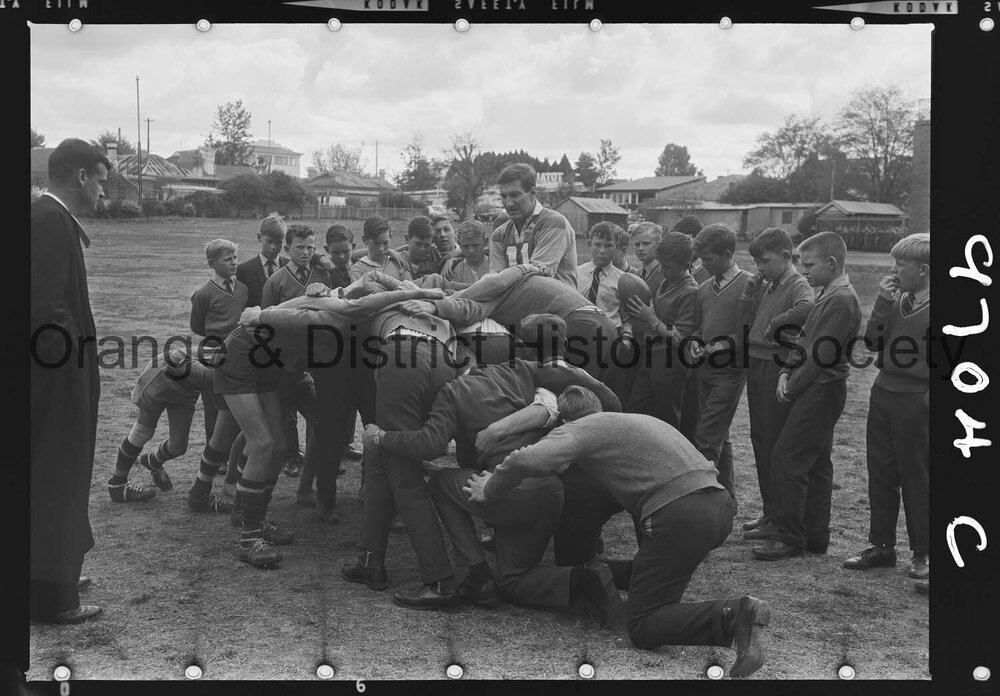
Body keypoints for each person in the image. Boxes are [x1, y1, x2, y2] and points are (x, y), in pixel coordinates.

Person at [480, 386, 770, 678]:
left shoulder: (578, 429)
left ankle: (736, 615)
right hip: (717, 506)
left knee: (643, 625)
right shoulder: (631, 422)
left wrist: (489, 489)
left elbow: (524, 460)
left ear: (564, 422)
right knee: (654, 579)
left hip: (679, 515)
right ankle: (599, 572)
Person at [363, 316, 624, 619]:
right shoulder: (521, 370)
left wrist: (382, 437)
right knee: (513, 580)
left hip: (510, 491)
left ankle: (476, 574)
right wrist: (606, 396)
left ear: (457, 355)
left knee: (438, 484)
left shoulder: (452, 391)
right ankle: (588, 578)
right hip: (549, 492)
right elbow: (562, 377)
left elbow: (429, 445)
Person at [226, 279, 446, 568]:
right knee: (263, 443)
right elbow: (356, 304)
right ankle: (249, 538)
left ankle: (249, 516)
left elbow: (368, 292)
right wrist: (423, 292)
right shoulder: (333, 313)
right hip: (242, 355)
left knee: (277, 443)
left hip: (264, 361)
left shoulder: (341, 306)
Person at [30, 138, 109, 624]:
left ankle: (52, 573)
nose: (102, 191)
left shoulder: (49, 217)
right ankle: (52, 596)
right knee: (56, 478)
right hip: (55, 382)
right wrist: (72, 373)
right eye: (100, 179)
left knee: (54, 478)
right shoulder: (48, 220)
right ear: (81, 176)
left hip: (53, 377)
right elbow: (44, 309)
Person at [751, 232, 861, 561]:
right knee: (816, 463)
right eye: (801, 263)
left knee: (787, 457)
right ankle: (815, 535)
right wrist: (786, 370)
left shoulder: (841, 299)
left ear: (832, 263)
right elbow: (805, 338)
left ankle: (789, 536)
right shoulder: (829, 292)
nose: (804, 270)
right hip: (816, 386)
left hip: (822, 388)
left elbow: (821, 355)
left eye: (809, 264)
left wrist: (792, 383)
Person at [843, 233, 930, 582]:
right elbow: (874, 342)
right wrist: (881, 300)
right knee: (880, 470)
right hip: (883, 393)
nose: (893, 270)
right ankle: (882, 546)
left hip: (916, 399)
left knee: (916, 476)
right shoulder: (897, 300)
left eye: (900, 264)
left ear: (923, 270)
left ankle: (923, 553)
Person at [736, 228, 814, 540]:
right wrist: (748, 292)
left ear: (785, 257)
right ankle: (770, 511)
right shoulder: (769, 283)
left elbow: (808, 306)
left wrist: (776, 323)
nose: (759, 268)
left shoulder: (797, 283)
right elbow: (743, 323)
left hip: (774, 363)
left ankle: (780, 516)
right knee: (759, 439)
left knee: (772, 442)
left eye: (764, 262)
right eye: (755, 262)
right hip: (756, 362)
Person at [687, 224, 752, 511]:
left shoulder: (750, 285)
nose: (703, 265)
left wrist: (725, 345)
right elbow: (701, 326)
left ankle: (705, 504)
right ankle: (728, 500)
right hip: (704, 370)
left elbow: (752, 331)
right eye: (700, 259)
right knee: (719, 435)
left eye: (709, 259)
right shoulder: (703, 287)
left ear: (727, 254)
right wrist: (694, 342)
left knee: (708, 435)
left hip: (731, 371)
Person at [624, 233, 700, 429]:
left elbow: (680, 337)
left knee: (667, 417)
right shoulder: (667, 283)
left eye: (668, 267)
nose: (663, 270)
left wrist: (651, 318)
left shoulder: (690, 291)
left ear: (685, 265)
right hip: (651, 356)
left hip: (671, 362)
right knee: (636, 411)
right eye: (661, 265)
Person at [189, 238, 249, 445]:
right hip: (213, 354)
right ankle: (215, 453)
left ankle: (234, 451)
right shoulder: (203, 294)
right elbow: (196, 325)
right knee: (213, 404)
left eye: (235, 258)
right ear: (212, 263)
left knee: (237, 404)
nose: (233, 263)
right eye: (227, 260)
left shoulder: (243, 289)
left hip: (239, 353)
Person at [489, 163, 578, 287]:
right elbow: (494, 285)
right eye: (504, 196)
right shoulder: (499, 235)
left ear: (532, 193)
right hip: (516, 305)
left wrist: (500, 282)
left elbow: (536, 282)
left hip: (559, 304)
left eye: (515, 195)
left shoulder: (553, 224)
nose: (508, 203)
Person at [236, 213, 288, 309]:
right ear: (259, 237)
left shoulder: (290, 266)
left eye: (278, 242)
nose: (273, 247)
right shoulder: (243, 270)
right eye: (269, 241)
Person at [350, 215, 411, 281]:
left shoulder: (399, 263)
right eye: (376, 244)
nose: (381, 249)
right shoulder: (358, 269)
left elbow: (411, 288)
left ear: (390, 237)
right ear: (364, 240)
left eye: (385, 243)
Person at [441, 219, 492, 284]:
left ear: (485, 242)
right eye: (466, 246)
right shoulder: (455, 271)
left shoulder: (496, 265)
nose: (471, 251)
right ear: (459, 244)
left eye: (476, 245)